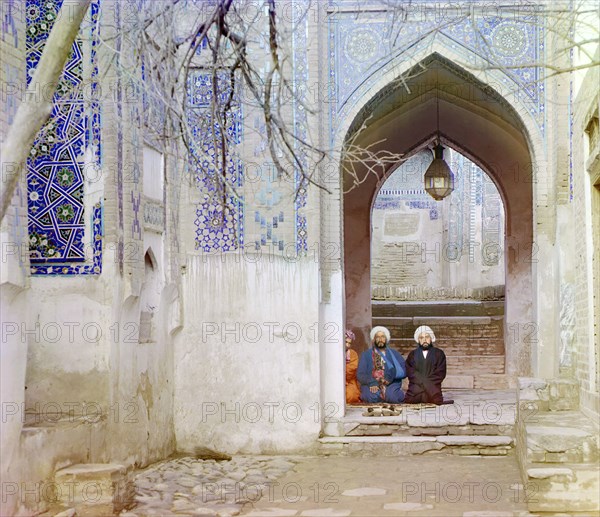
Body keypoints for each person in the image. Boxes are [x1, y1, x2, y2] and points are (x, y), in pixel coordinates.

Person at [357, 326, 406, 404]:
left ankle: (393, 394)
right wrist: (371, 382)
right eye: (377, 337)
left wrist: (390, 378)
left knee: (392, 396)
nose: (380, 339)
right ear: (373, 339)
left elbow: (403, 370)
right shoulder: (366, 355)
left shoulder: (395, 354)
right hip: (372, 383)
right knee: (371, 396)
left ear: (386, 339)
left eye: (383, 337)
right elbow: (360, 374)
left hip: (391, 383)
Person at [405, 325, 452, 405]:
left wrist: (424, 383)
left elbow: (440, 373)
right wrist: (425, 383)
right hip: (417, 391)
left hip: (432, 390)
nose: (424, 340)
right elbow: (410, 372)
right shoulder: (412, 354)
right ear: (418, 340)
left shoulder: (439, 354)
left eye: (427, 337)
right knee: (410, 399)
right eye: (421, 338)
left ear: (431, 338)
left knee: (435, 399)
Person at [345, 330, 361, 404]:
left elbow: (351, 369)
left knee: (351, 396)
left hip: (349, 381)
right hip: (334, 381)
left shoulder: (352, 353)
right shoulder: (332, 352)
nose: (347, 345)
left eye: (349, 343)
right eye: (345, 342)